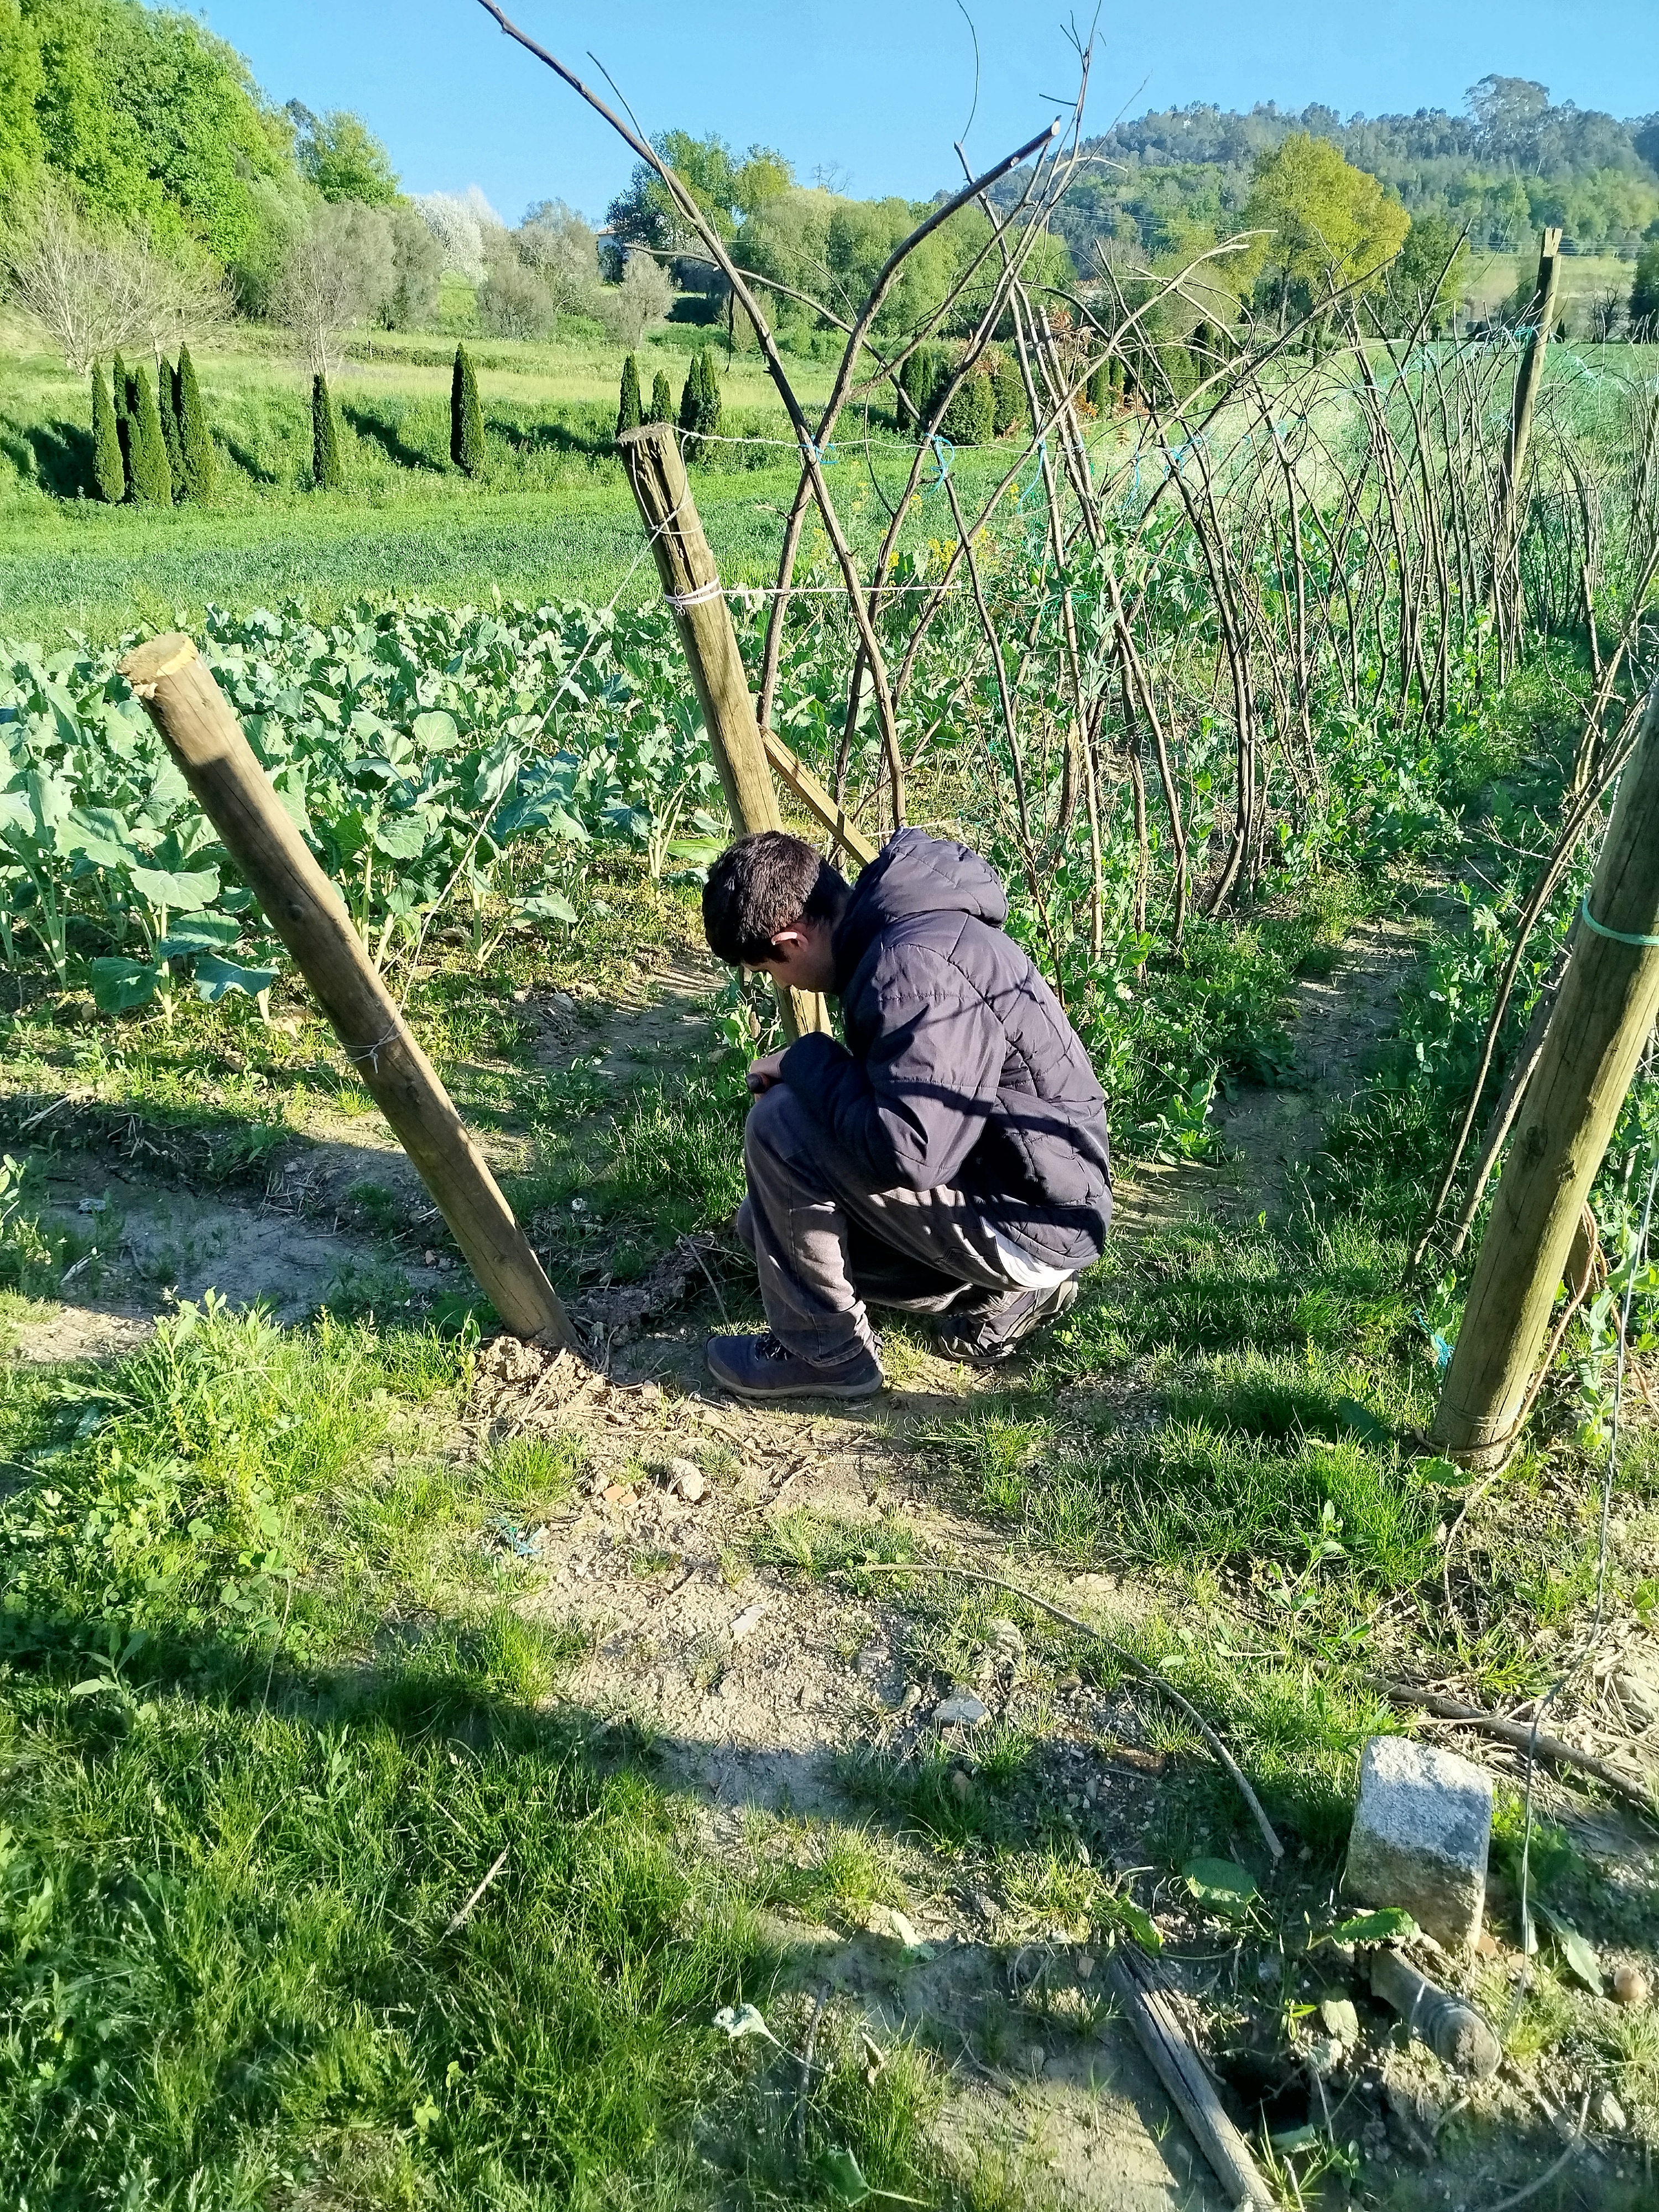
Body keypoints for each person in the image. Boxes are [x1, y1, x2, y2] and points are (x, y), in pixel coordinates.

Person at [698, 826, 1112, 1401]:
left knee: (780, 1124)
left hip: (1033, 1214)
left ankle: (827, 1354)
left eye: (770, 971)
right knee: (765, 1227)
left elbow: (911, 1152)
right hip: (1035, 1191)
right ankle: (1006, 1296)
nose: (781, 983)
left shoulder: (910, 970)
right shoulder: (905, 933)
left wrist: (807, 1059)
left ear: (791, 940)